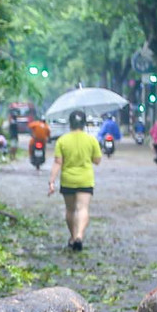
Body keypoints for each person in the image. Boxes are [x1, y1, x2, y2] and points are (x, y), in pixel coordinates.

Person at [48, 108, 101, 252]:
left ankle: (72, 237)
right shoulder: (91, 140)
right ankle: (79, 236)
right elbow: (97, 160)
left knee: (70, 210)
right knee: (82, 208)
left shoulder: (62, 140)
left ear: (70, 123)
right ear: (84, 124)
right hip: (85, 180)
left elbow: (58, 162)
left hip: (68, 180)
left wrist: (51, 181)